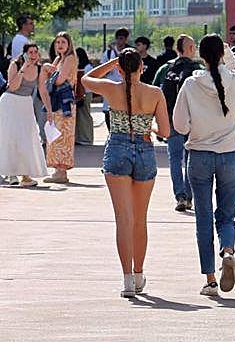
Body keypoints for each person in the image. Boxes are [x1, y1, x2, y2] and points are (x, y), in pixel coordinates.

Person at [83, 48, 170, 298]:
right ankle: (140, 272)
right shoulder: (154, 93)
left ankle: (127, 280)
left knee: (123, 218)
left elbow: (86, 80)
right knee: (140, 219)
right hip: (144, 149)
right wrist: (149, 126)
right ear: (142, 67)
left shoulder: (112, 88)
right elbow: (165, 131)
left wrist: (112, 63)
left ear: (120, 69)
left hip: (117, 148)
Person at [174, 35, 235, 297]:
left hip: (200, 154)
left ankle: (211, 280)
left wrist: (196, 128)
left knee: (203, 218)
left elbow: (180, 125)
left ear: (200, 56)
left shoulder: (191, 84)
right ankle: (228, 250)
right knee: (226, 215)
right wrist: (228, 54)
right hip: (230, 153)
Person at [0, 42, 49, 187]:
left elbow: (42, 90)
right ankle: (11, 174)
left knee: (27, 137)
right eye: (30, 52)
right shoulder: (14, 65)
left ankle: (26, 175)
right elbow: (13, 86)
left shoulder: (40, 68)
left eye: (36, 52)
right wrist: (23, 69)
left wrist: (49, 110)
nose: (33, 55)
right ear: (24, 54)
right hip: (9, 102)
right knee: (10, 136)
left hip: (26, 104)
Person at [155, 34, 201, 211]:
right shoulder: (198, 69)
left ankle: (180, 196)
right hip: (193, 119)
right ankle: (189, 197)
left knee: (174, 158)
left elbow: (155, 93)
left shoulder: (165, 69)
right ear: (190, 49)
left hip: (171, 118)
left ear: (176, 49)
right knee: (190, 157)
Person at [42, 32, 80, 183]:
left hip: (65, 99)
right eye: (57, 42)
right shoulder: (58, 59)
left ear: (69, 44)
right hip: (56, 98)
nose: (60, 45)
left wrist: (47, 69)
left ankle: (62, 171)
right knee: (54, 132)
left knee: (64, 134)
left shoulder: (70, 58)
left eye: (63, 42)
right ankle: (57, 169)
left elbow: (59, 80)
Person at [74, 46, 96, 145]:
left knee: (85, 116)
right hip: (82, 93)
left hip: (86, 93)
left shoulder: (87, 67)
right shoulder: (82, 66)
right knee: (81, 117)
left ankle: (86, 138)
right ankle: (81, 137)